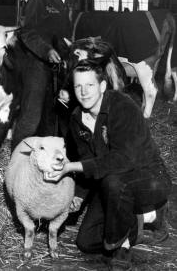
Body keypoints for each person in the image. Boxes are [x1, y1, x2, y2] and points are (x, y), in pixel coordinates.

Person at [45, 60, 172, 270]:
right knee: (86, 242)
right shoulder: (77, 119)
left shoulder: (122, 106)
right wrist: (78, 195)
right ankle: (145, 218)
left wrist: (72, 167)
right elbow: (90, 163)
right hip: (113, 187)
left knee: (114, 181)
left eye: (90, 85)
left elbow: (122, 160)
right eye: (78, 86)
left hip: (149, 179)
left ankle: (121, 248)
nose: (84, 92)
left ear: (103, 86)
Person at [16, 0, 74, 139]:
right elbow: (26, 32)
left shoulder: (67, 1)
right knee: (31, 119)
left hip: (57, 69)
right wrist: (46, 50)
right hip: (37, 65)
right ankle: (17, 162)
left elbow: (62, 37)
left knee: (50, 118)